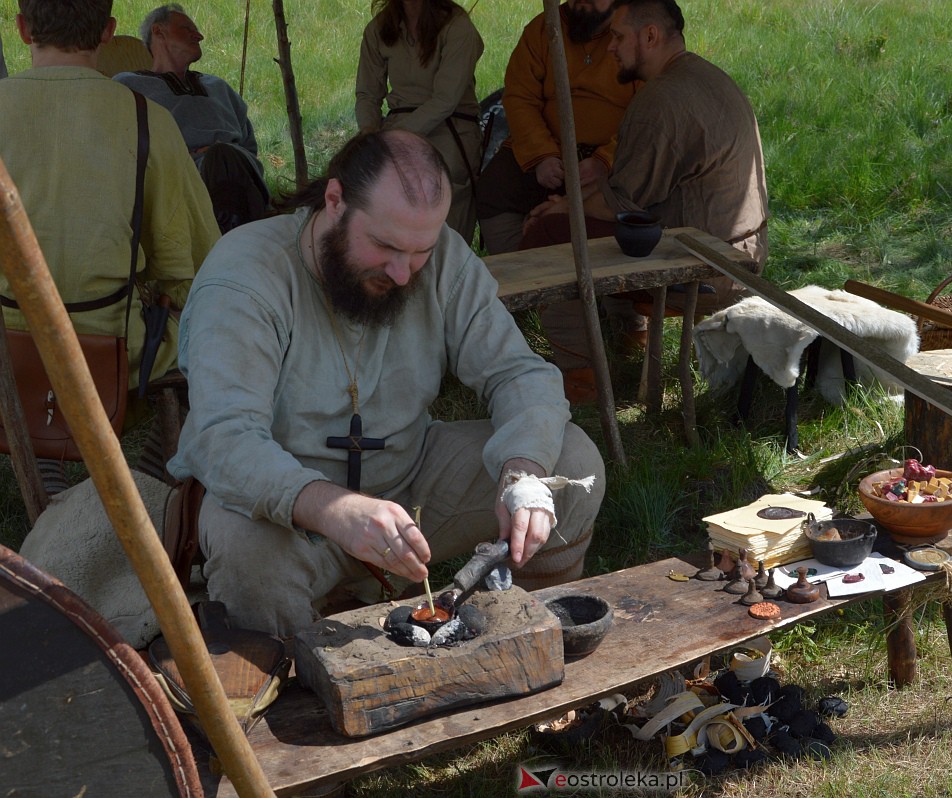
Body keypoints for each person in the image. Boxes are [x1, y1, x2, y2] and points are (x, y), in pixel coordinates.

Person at [168, 130, 605, 638]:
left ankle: (526, 637)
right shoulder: (245, 277)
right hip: (288, 511)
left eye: (420, 251)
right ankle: (292, 693)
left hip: (409, 481)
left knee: (569, 461)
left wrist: (522, 473)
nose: (403, 273)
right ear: (335, 202)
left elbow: (518, 372)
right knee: (250, 557)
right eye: (384, 246)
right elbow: (225, 439)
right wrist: (336, 510)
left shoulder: (439, 258)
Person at [0, 0, 220, 490]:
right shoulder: (147, 118)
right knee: (213, 326)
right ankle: (153, 470)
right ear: (108, 33)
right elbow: (194, 261)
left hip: (6, 348)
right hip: (115, 349)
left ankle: (46, 446)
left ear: (20, 28)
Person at [524, 0, 769, 400]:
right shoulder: (706, 76)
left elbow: (623, 203)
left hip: (709, 265)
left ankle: (577, 371)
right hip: (742, 249)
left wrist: (562, 208)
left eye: (619, 37)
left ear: (650, 36)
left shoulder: (661, 99)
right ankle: (627, 335)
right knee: (569, 221)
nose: (610, 47)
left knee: (549, 232)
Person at [474, 0, 635, 254]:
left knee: (622, 199)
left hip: (612, 156)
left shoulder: (631, 35)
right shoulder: (542, 30)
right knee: (494, 188)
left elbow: (646, 116)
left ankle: (597, 271)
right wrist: (542, 155)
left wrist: (605, 161)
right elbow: (519, 97)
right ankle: (518, 270)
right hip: (548, 148)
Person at [115, 4, 269, 233]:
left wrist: (220, 156)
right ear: (158, 32)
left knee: (224, 157)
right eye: (187, 28)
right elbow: (123, 149)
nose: (199, 35)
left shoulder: (219, 87)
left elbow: (249, 146)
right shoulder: (129, 86)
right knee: (221, 158)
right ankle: (236, 244)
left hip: (237, 172)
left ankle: (231, 243)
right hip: (176, 182)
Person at [355, 0, 484, 243]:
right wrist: (368, 133)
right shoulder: (380, 28)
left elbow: (445, 100)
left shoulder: (457, 27)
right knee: (370, 189)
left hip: (449, 127)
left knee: (440, 193)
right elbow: (367, 94)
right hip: (397, 124)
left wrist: (394, 137)